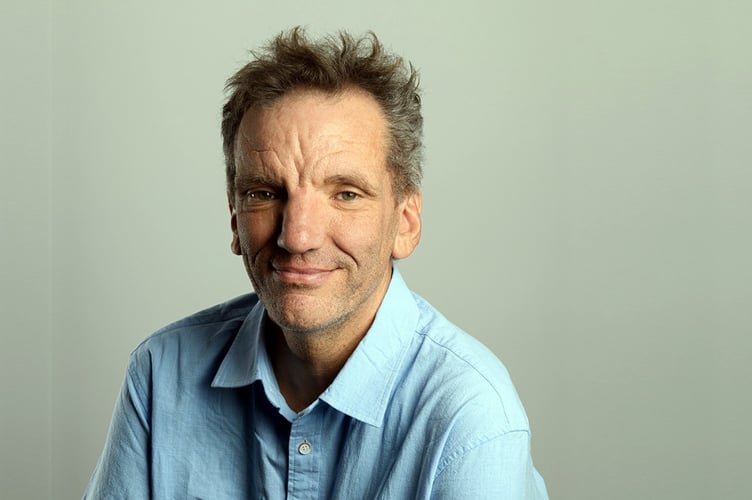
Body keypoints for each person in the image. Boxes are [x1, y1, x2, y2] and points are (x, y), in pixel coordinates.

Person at [84, 28, 548, 499]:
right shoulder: (161, 374)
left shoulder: (470, 415)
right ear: (234, 218)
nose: (297, 237)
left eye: (346, 194)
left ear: (405, 222)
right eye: (264, 193)